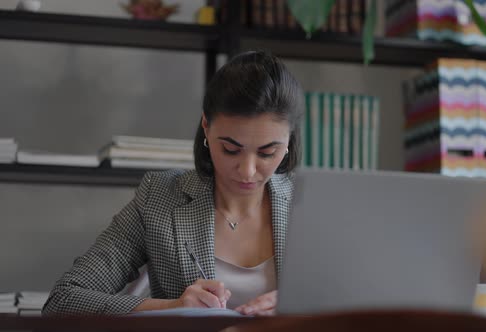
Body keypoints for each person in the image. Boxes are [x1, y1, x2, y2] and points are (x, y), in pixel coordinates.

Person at [42, 50, 304, 316]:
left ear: (289, 140)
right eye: (230, 149)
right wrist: (173, 308)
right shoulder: (159, 198)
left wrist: (303, 310)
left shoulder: (311, 204)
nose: (248, 171)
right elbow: (63, 301)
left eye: (267, 152)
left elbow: (347, 304)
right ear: (206, 126)